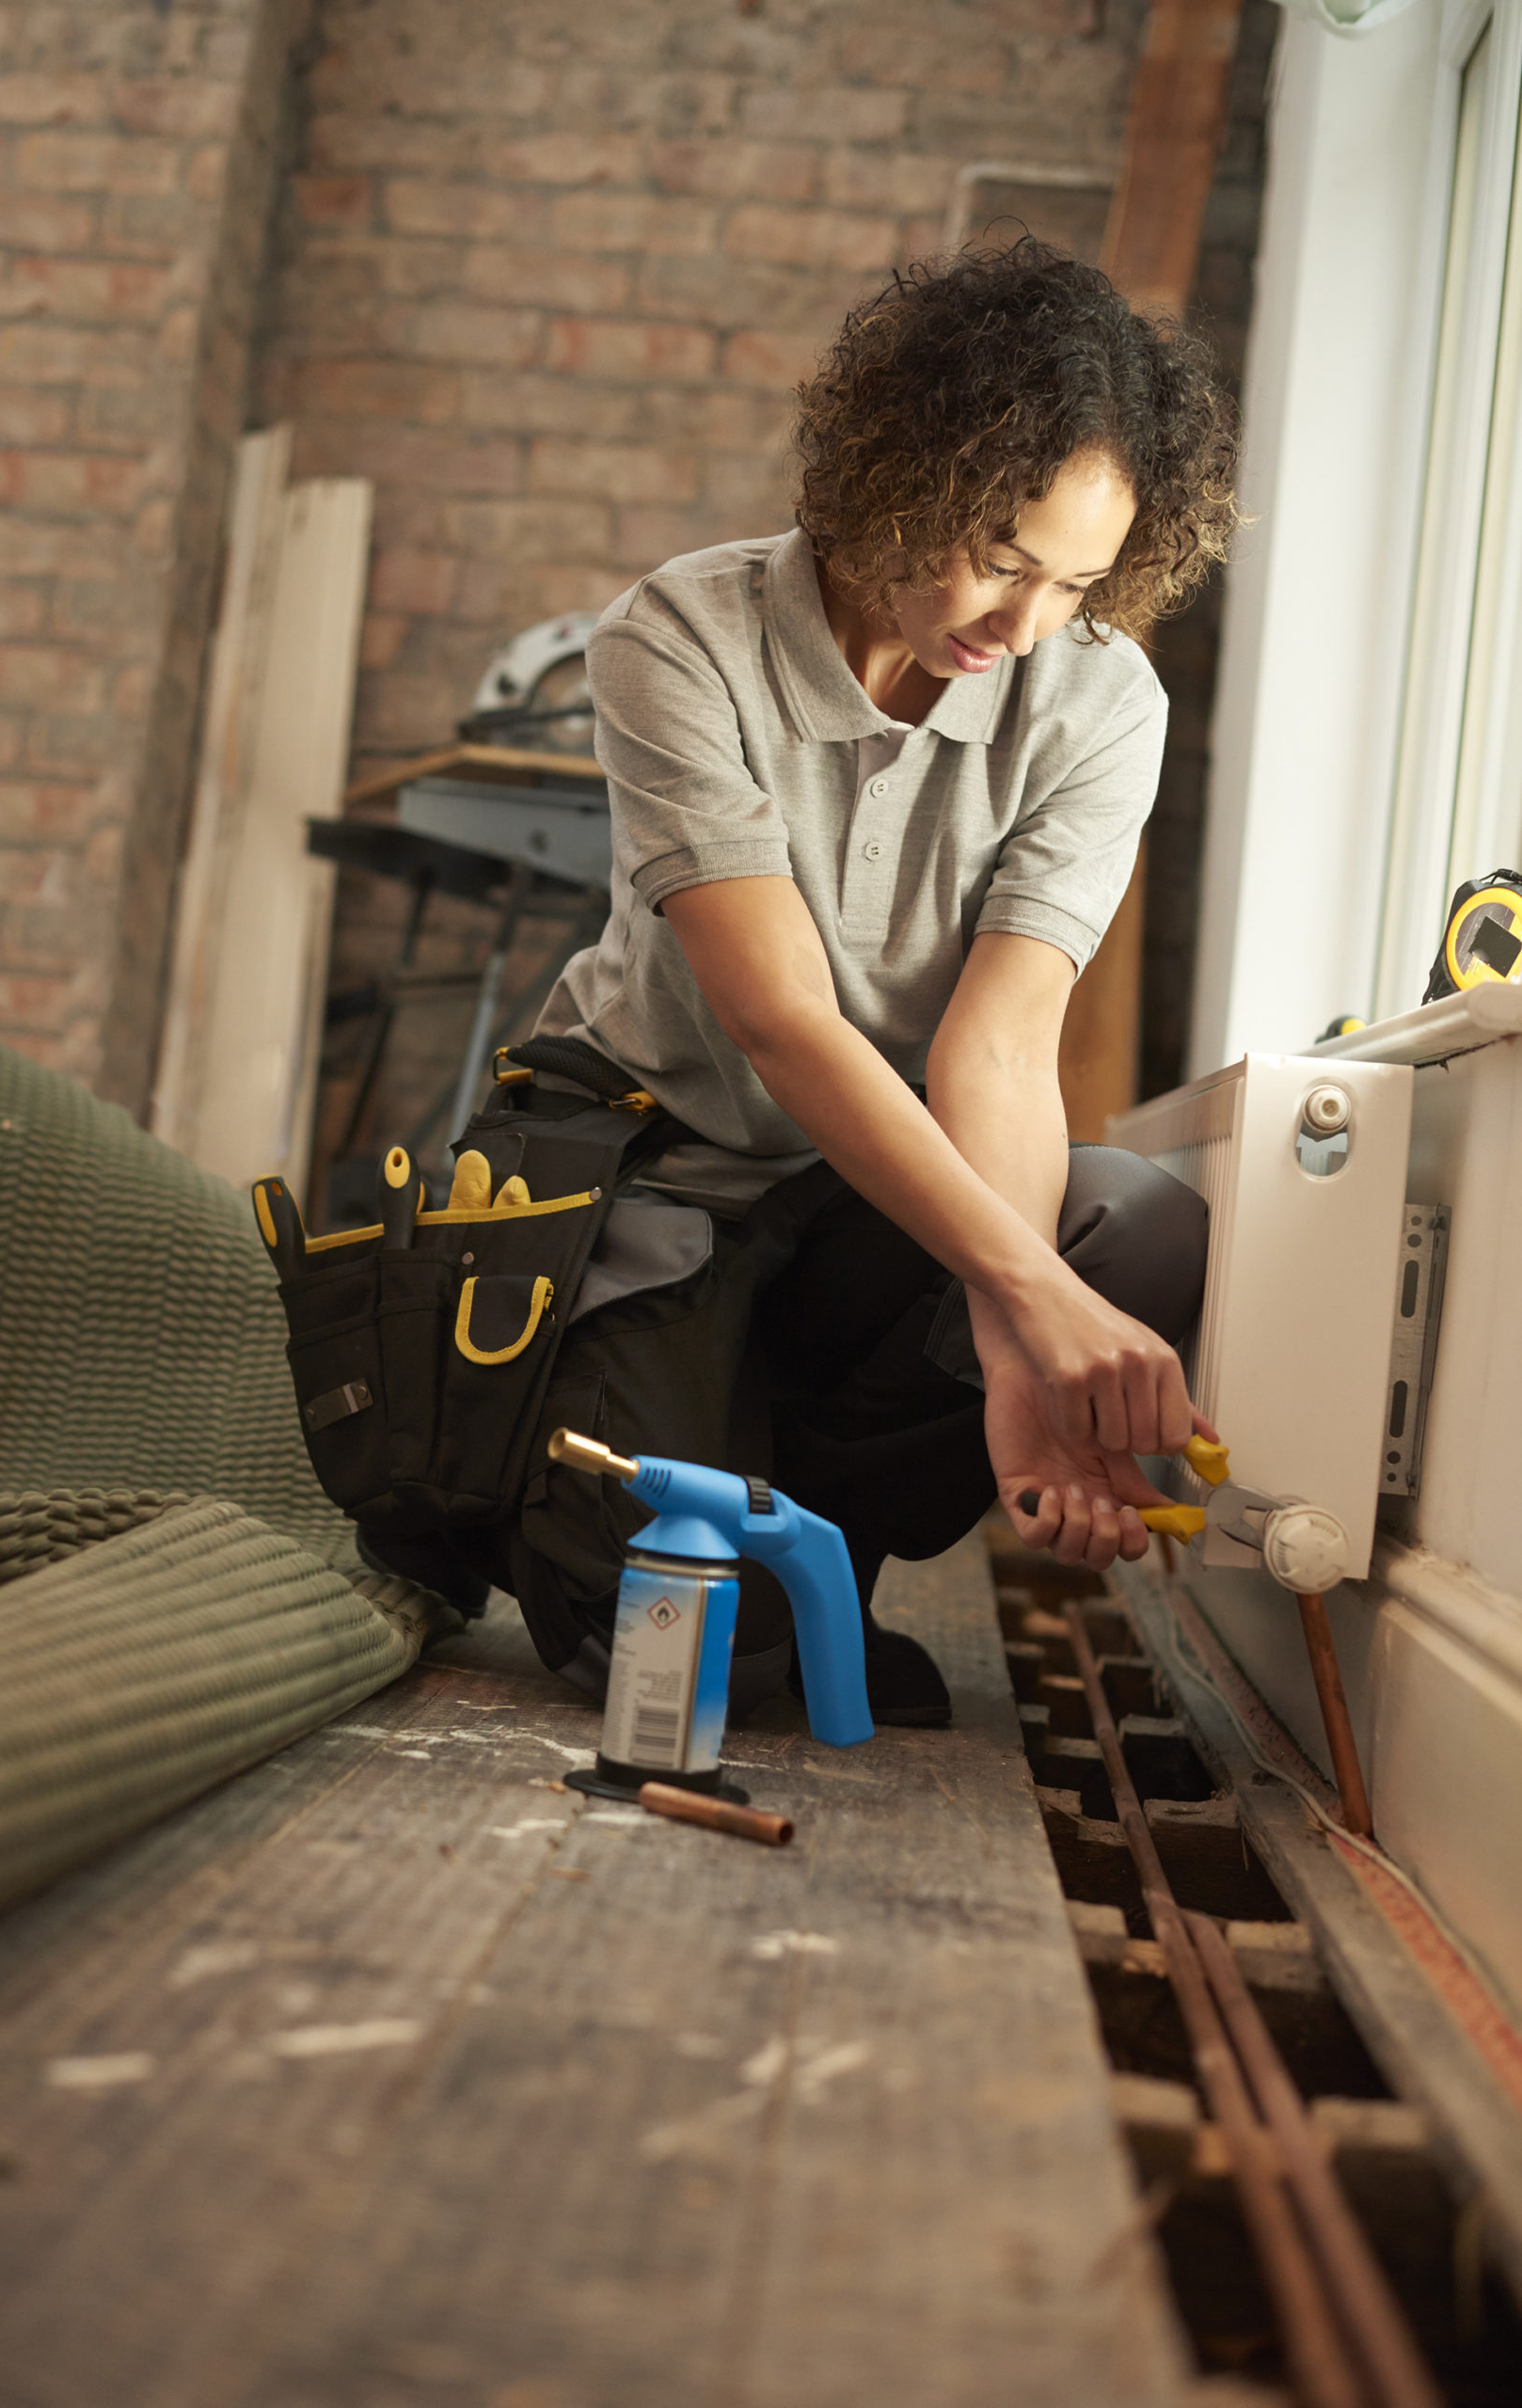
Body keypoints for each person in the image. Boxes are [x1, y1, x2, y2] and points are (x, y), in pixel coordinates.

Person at [529, 238, 1240, 1726]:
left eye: (1079, 583)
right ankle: (726, 1548)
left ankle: (820, 1545)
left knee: (1142, 1231)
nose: (1023, 626)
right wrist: (1025, 1296)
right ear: (901, 474)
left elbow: (997, 1053)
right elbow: (782, 1023)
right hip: (659, 1178)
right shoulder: (683, 639)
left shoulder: (1101, 701)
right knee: (681, 1667)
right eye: (999, 553)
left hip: (868, 1194)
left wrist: (1016, 1356)